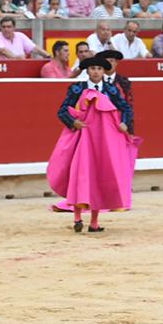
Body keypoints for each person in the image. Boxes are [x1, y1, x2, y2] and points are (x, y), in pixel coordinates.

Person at [48, 49, 137, 234]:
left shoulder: (110, 89)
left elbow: (126, 108)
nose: (96, 72)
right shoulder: (77, 88)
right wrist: (73, 122)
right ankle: (77, 218)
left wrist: (124, 122)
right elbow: (62, 110)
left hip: (103, 141)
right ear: (87, 71)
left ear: (103, 71)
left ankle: (94, 223)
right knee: (80, 175)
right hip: (84, 139)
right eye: (92, 69)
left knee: (98, 177)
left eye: (99, 69)